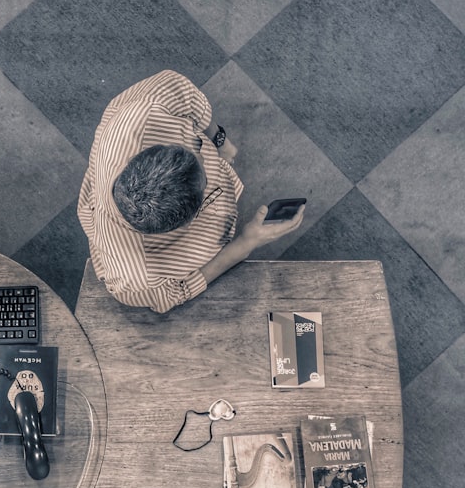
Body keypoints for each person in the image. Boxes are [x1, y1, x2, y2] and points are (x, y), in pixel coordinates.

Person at [77, 69, 305, 313]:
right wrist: (246, 242)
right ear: (188, 224)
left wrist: (219, 141)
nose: (207, 160)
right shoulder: (135, 275)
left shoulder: (143, 112)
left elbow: (181, 91)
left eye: (194, 149)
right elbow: (175, 293)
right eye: (206, 180)